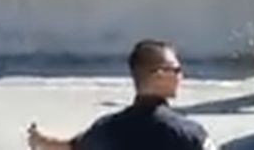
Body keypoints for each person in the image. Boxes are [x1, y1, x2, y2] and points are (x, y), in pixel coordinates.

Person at [26, 40, 218, 150]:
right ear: (159, 75)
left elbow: (74, 146)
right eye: (176, 70)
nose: (181, 76)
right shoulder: (189, 134)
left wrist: (41, 141)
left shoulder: (105, 129)